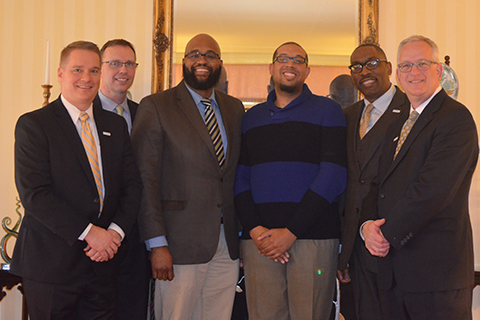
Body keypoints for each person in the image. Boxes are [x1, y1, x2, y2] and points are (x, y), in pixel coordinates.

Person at [11, 40, 142, 319]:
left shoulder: (115, 126)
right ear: (60, 74)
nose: (86, 78)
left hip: (103, 265)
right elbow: (35, 194)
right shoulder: (34, 125)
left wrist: (114, 235)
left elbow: (132, 187)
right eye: (78, 69)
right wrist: (92, 234)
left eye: (94, 70)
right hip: (51, 268)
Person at [363, 35, 478, 320]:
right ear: (397, 74)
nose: (414, 72)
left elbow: (433, 191)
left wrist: (385, 235)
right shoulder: (397, 122)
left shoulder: (456, 118)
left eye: (422, 64)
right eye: (406, 66)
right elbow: (377, 185)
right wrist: (367, 227)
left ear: (438, 70)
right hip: (394, 275)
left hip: (437, 277)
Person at [131, 33, 244, 320]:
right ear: (183, 62)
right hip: (178, 244)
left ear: (220, 63)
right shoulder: (156, 106)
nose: (202, 60)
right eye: (194, 54)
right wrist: (157, 244)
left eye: (210, 55)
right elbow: (146, 180)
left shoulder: (234, 108)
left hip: (226, 245)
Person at [234, 42, 347, 320]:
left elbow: (333, 175)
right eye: (283, 58)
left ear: (307, 70)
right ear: (271, 68)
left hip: (313, 238)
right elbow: (239, 177)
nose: (290, 64)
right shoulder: (251, 118)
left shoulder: (328, 110)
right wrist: (256, 230)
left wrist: (291, 231)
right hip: (260, 242)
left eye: (298, 60)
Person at [337, 43, 409, 320]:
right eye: (356, 67)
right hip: (354, 248)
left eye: (372, 63)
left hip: (392, 242)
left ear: (389, 68)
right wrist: (342, 253)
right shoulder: (346, 116)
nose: (364, 71)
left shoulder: (411, 111)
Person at [96, 39, 150, 320]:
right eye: (114, 63)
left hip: (134, 237)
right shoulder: (80, 112)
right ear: (100, 68)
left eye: (130, 64)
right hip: (92, 238)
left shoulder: (146, 114)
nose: (123, 70)